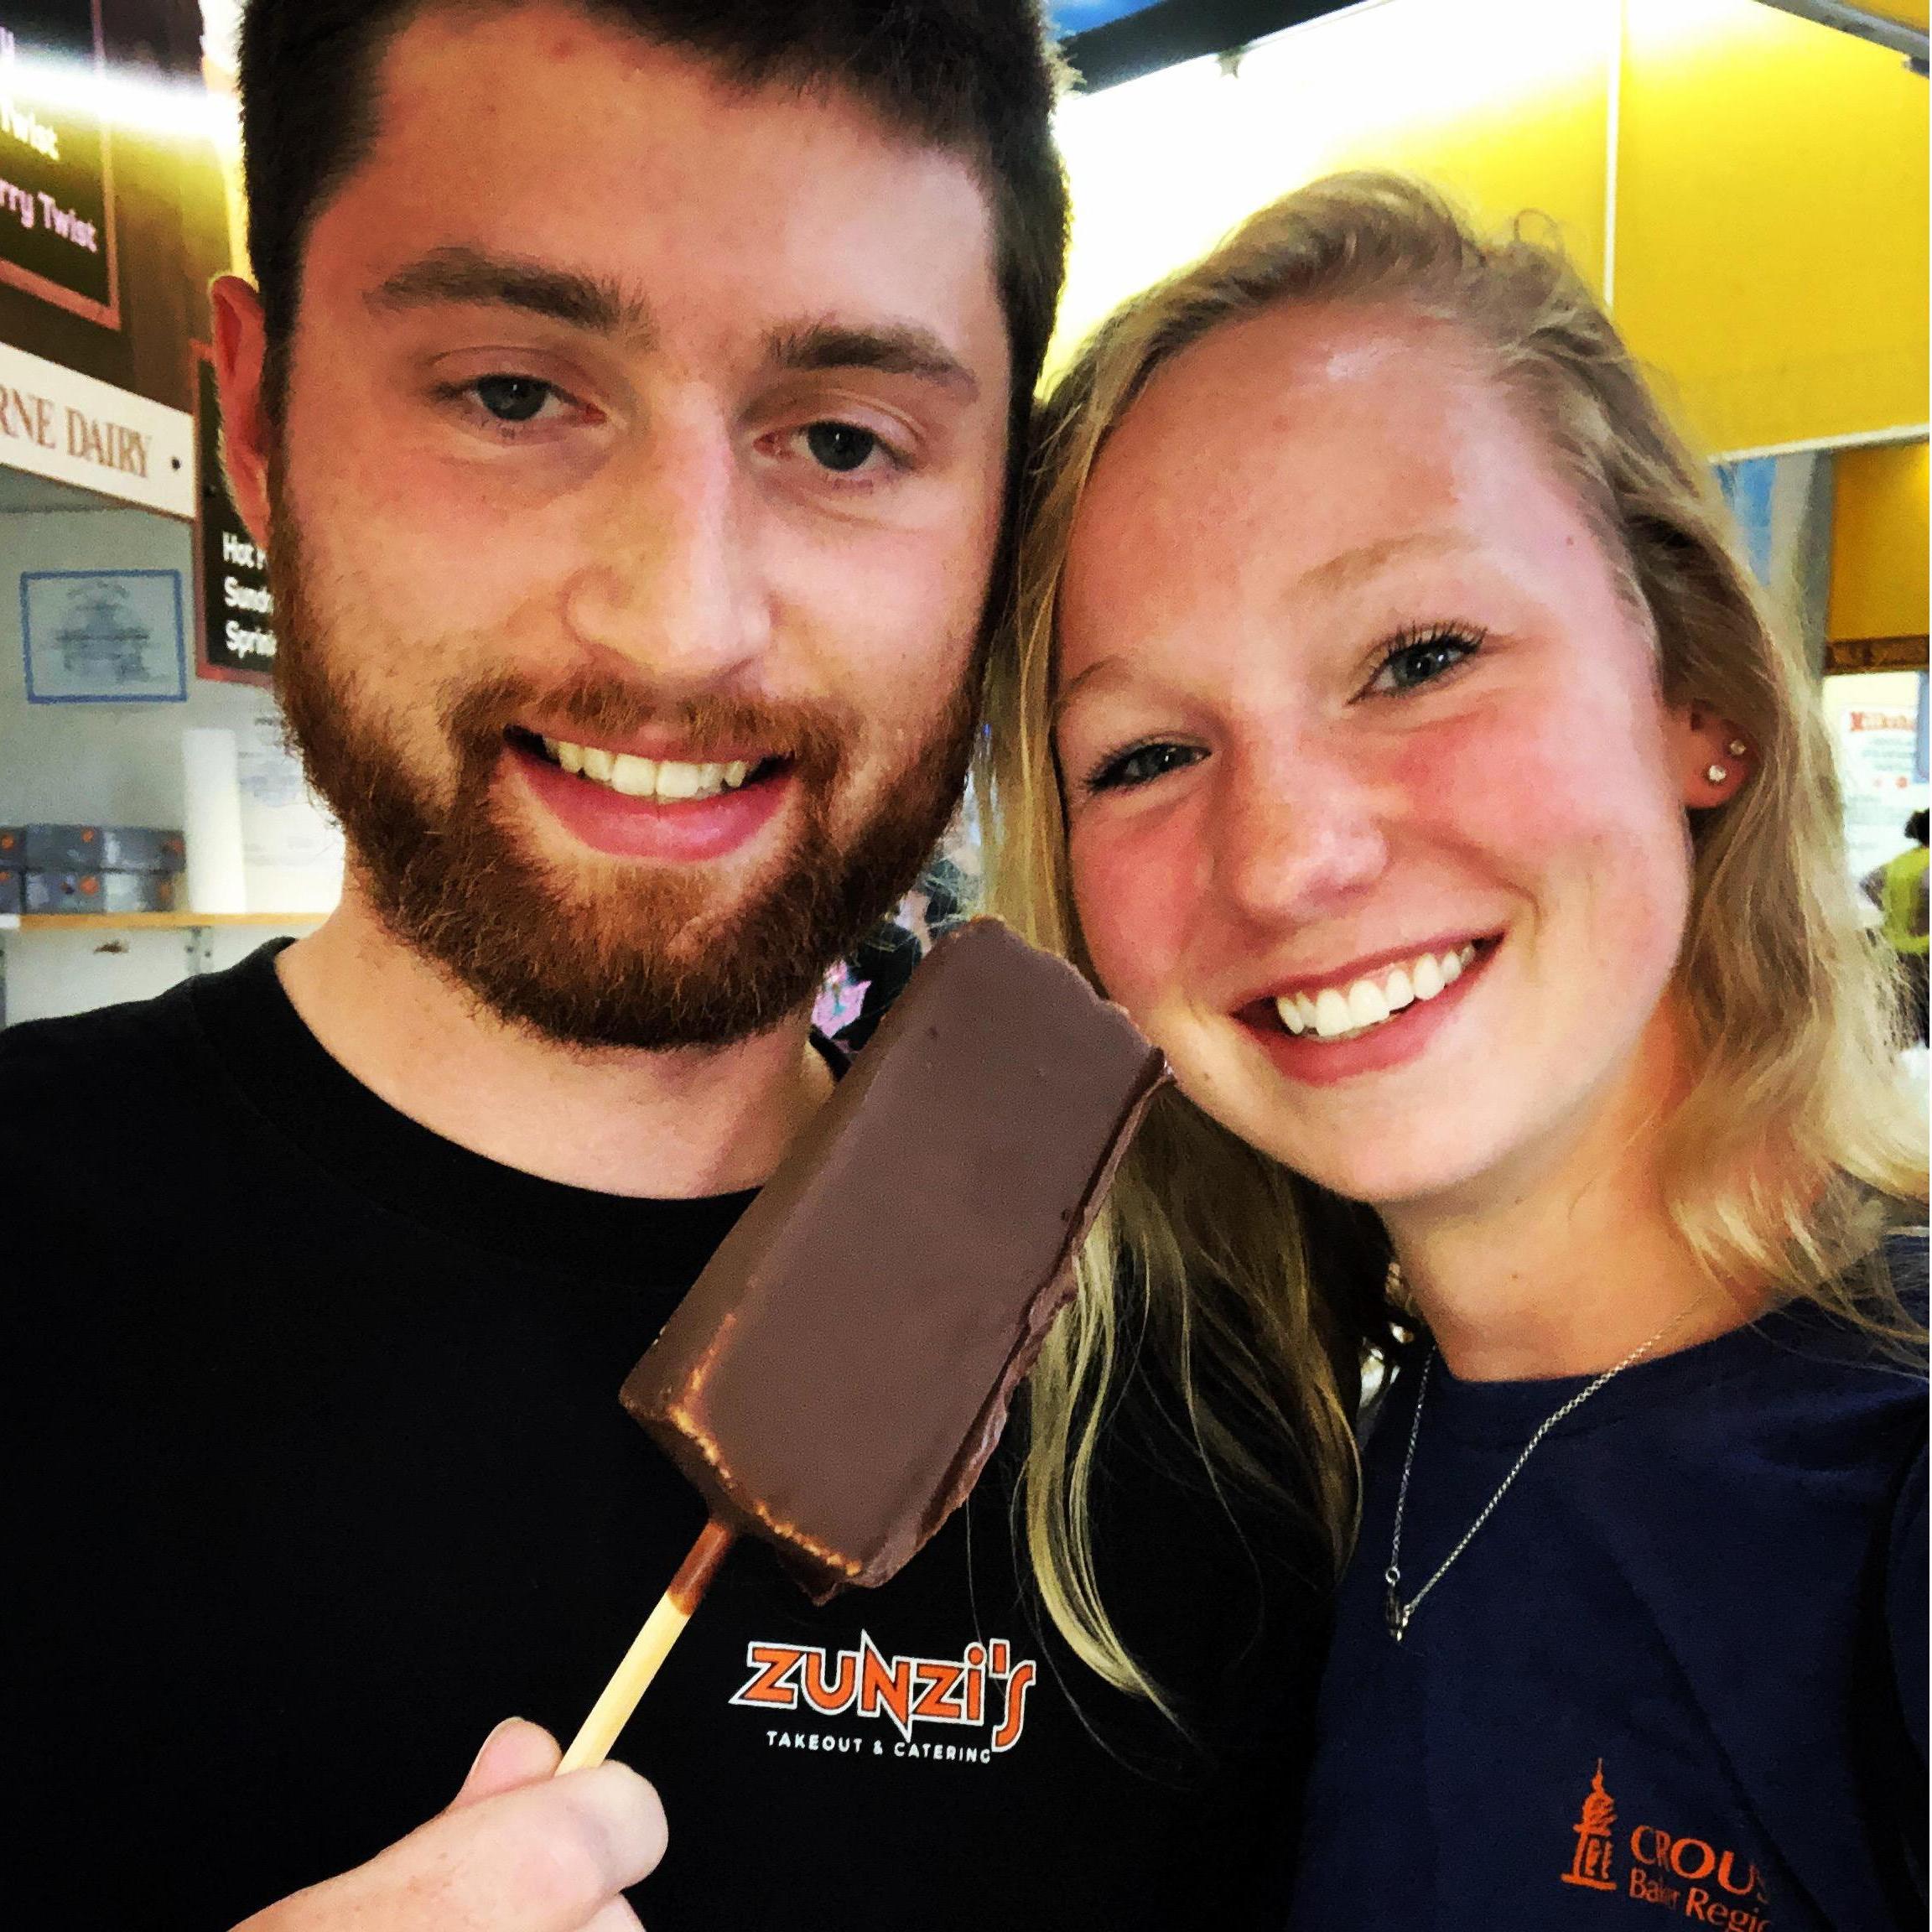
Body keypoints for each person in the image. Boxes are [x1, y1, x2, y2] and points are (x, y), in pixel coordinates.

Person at [0, 6, 1330, 1928]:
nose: (683, 619)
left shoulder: (1212, 1440)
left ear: (1001, 517)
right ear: (257, 415)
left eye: (849, 437)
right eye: (514, 393)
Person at [986, 174, 1928, 1929]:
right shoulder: (1270, 1472)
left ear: (1700, 705)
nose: (1283, 858)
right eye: (1141, 754)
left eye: (1419, 657)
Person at [1863, 807, 1929, 1045]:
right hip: (1927, 955)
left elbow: (1867, 886)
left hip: (1896, 958)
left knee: (1903, 1029)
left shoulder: (1899, 863)